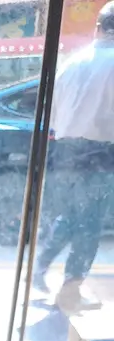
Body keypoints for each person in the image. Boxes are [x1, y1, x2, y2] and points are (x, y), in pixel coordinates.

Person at [33, 1, 114, 311]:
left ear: (98, 28)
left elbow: (52, 114)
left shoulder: (73, 62)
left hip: (65, 149)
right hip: (101, 151)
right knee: (90, 223)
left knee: (69, 215)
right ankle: (70, 290)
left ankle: (39, 267)